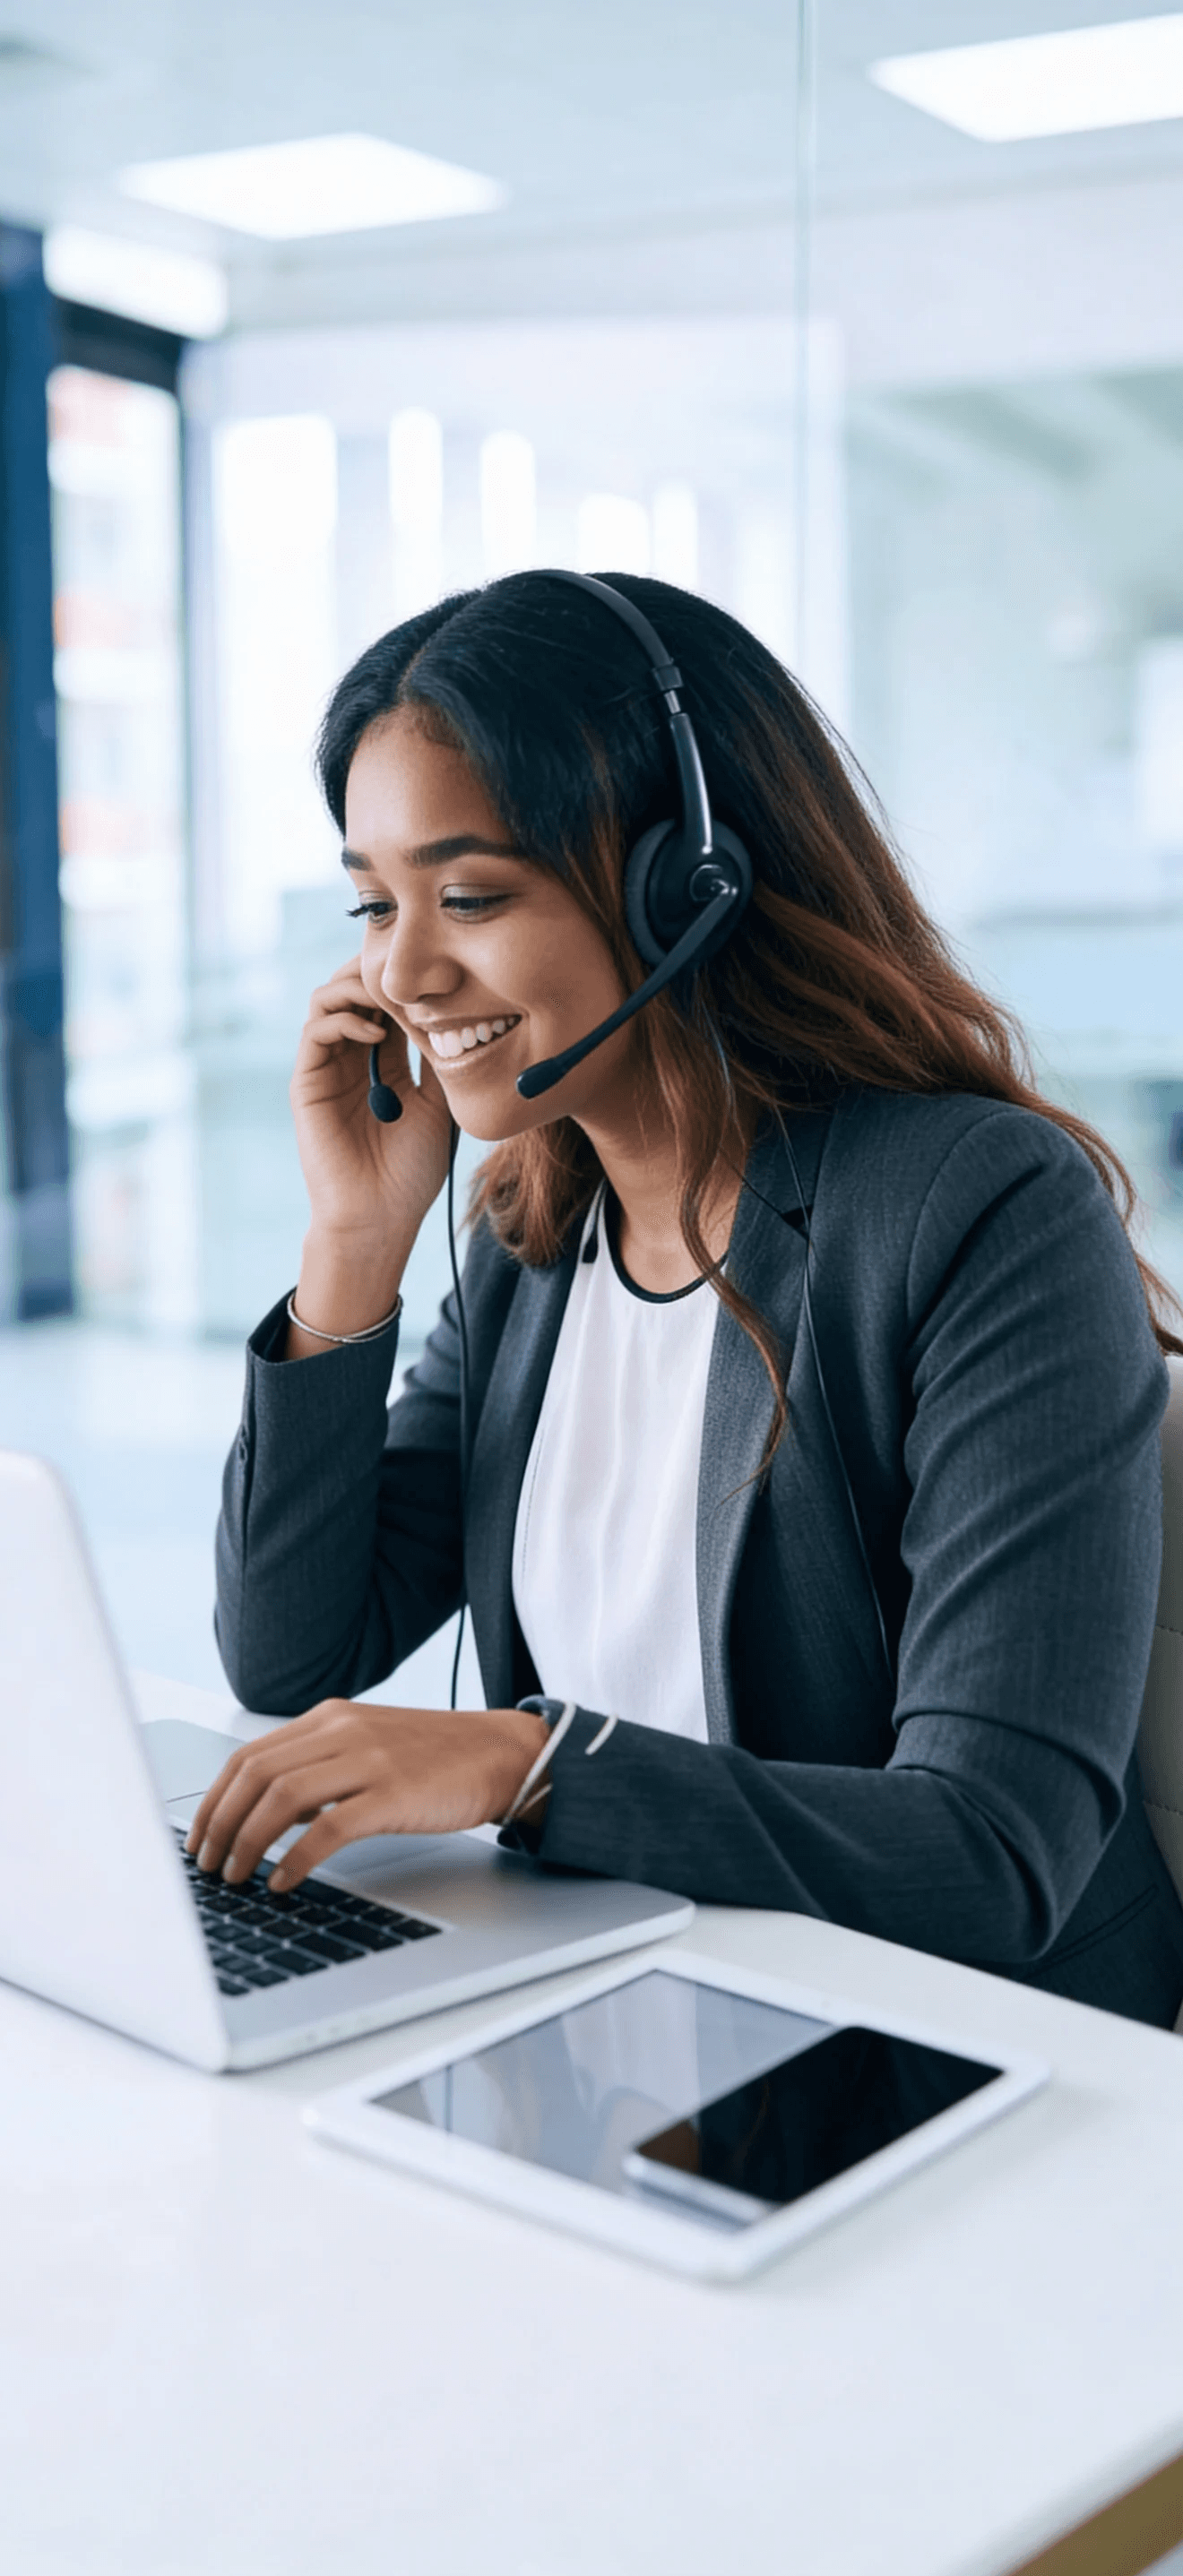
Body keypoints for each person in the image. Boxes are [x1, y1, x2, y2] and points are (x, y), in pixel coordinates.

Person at [187, 571, 1183, 2029]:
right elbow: (291, 1651)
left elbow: (997, 1849)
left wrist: (524, 1765)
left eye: (468, 895)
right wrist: (356, 1239)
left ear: (685, 886)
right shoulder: (535, 1228)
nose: (400, 970)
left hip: (947, 2048)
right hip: (631, 1997)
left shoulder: (979, 1209)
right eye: (373, 902)